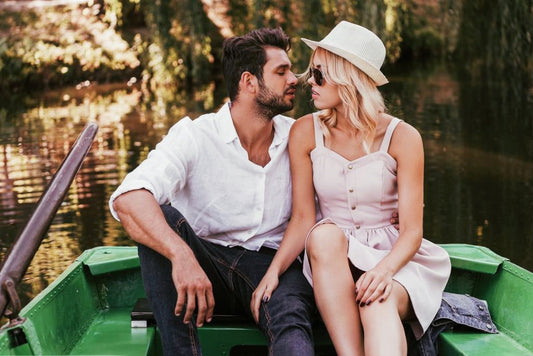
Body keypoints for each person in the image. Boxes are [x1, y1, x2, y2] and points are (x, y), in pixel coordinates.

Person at [109, 27, 318, 355]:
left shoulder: (300, 137)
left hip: (274, 265)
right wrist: (182, 256)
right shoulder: (195, 136)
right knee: (159, 219)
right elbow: (128, 198)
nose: (295, 79)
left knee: (291, 320)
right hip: (206, 263)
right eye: (281, 72)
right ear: (249, 82)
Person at [251, 21, 451, 355]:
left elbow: (412, 232)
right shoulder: (304, 132)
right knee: (322, 233)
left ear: (348, 78)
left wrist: (382, 271)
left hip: (395, 260)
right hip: (331, 261)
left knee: (377, 301)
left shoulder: (403, 137)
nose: (306, 82)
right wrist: (274, 272)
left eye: (318, 74)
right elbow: (302, 217)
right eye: (309, 72)